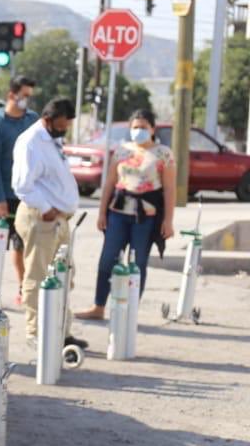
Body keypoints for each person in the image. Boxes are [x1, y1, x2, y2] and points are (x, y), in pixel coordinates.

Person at [75, 109, 176, 319]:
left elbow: (169, 189)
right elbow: (110, 183)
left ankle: (129, 312)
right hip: (118, 214)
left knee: (137, 264)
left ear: (152, 129)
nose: (138, 131)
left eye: (143, 127)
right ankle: (99, 306)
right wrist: (102, 213)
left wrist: (168, 220)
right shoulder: (121, 151)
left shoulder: (163, 153)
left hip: (145, 216)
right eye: (135, 127)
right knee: (107, 260)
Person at [11, 98, 86, 348]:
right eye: (63, 124)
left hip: (59, 219)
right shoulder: (31, 141)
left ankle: (61, 331)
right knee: (38, 276)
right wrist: (47, 208)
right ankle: (36, 333)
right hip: (40, 217)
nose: (65, 129)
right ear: (48, 119)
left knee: (64, 277)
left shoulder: (53, 140)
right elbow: (22, 185)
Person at [0, 75, 38, 303]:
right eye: (24, 96)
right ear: (11, 95)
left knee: (21, 244)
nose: (26, 100)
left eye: (29, 97)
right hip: (3, 196)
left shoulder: (32, 120)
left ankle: (23, 288)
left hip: (26, 196)